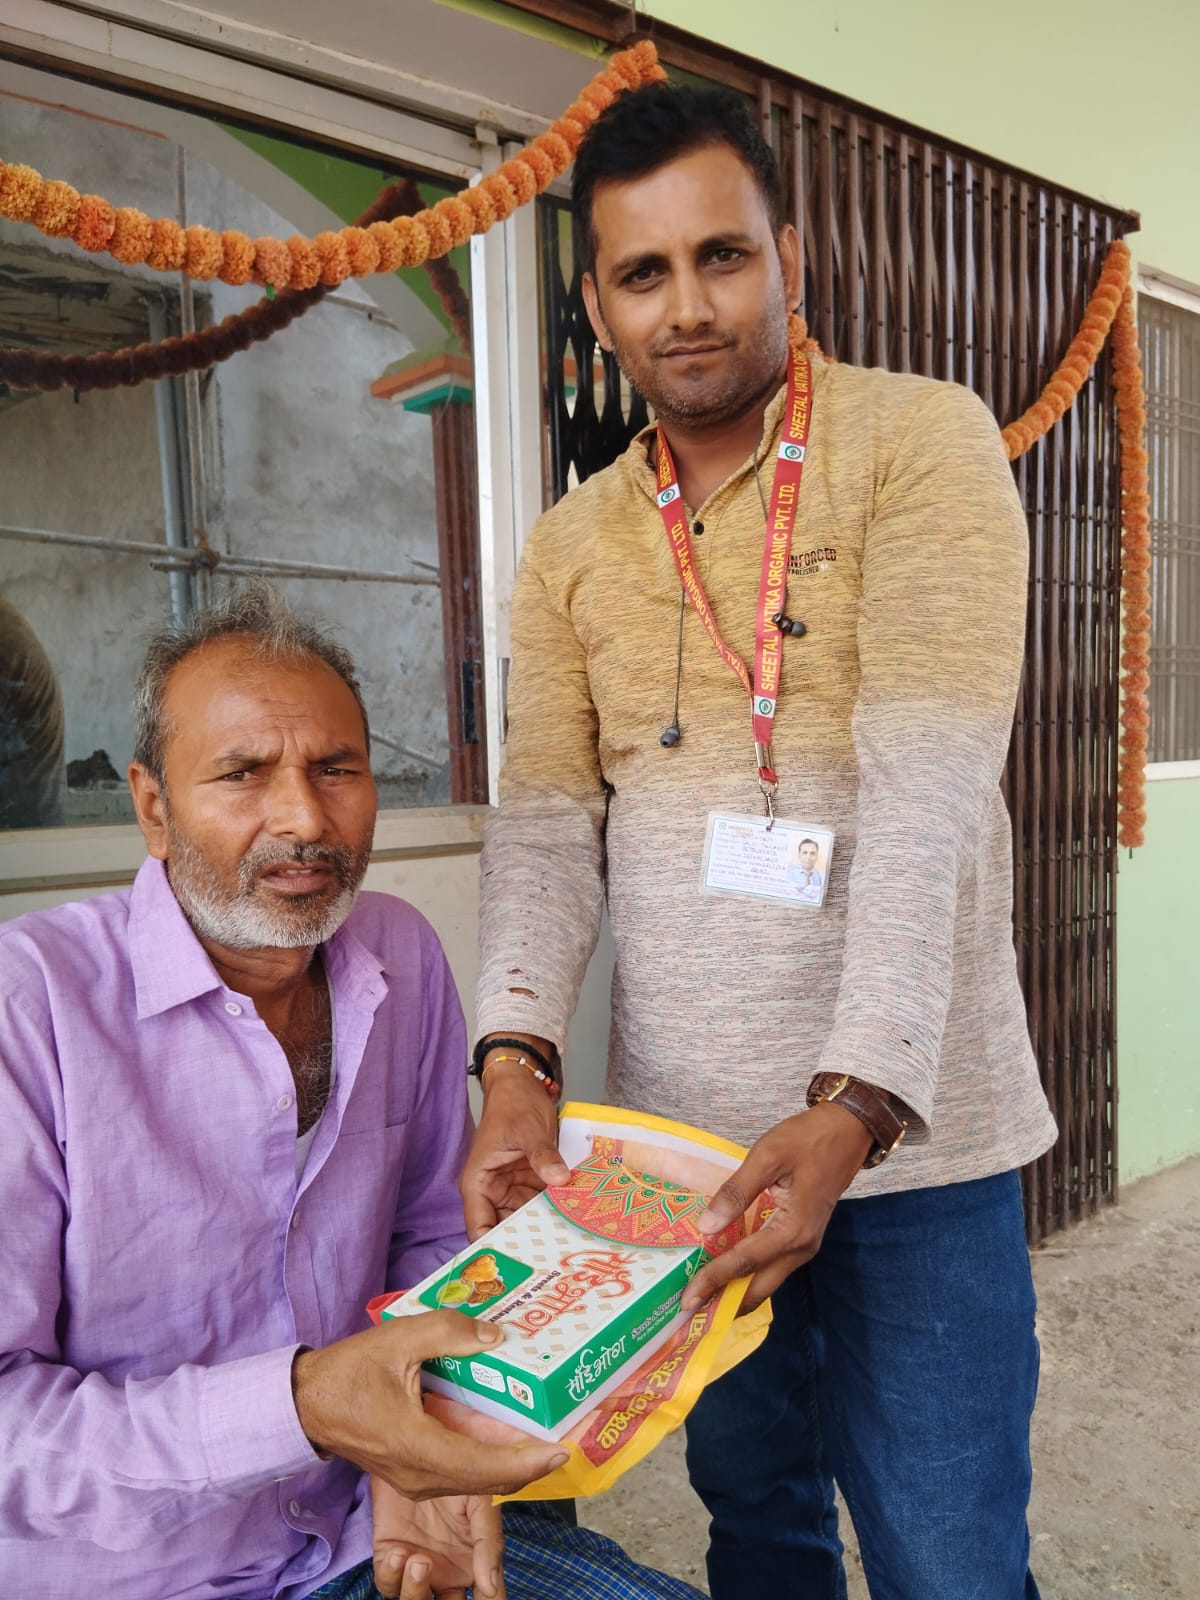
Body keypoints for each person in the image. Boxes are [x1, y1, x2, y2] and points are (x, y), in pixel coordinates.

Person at [464, 83, 1057, 1600]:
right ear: (597, 304)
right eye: (642, 273)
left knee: (950, 1561)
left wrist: (856, 1103)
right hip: (686, 1169)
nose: (687, 307)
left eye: (721, 255)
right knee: (761, 1528)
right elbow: (546, 822)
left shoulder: (919, 444)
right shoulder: (573, 542)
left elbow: (928, 795)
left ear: (789, 254)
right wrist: (516, 1059)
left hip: (916, 1152)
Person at [0, 587, 706, 1600]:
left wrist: (425, 1438)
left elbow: (428, 1238)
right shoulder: (30, 1010)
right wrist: (300, 1408)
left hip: (366, 1525)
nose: (304, 818)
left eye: (337, 769)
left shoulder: (399, 957)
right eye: (242, 773)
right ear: (153, 808)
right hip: (145, 1573)